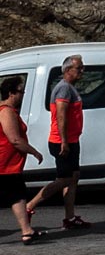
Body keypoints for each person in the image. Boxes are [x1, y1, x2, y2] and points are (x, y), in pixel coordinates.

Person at [23, 56, 83, 229]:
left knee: (73, 177)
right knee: (64, 179)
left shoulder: (69, 88)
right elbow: (61, 116)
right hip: (62, 141)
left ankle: (70, 218)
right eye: (79, 68)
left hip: (72, 140)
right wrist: (64, 142)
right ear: (67, 70)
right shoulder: (64, 89)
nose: (82, 71)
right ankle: (30, 206)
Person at [0, 75, 42, 244]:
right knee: (16, 195)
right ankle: (26, 231)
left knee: (17, 196)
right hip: (4, 164)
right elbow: (15, 139)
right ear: (11, 93)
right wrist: (34, 152)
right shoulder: (6, 112)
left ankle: (27, 231)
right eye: (20, 91)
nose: (22, 94)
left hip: (9, 165)